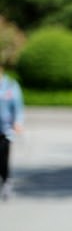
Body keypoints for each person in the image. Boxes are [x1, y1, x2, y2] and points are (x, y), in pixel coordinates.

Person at [0, 63, 24, 200]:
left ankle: (6, 181)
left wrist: (18, 122)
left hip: (5, 129)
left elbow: (18, 107)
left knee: (3, 158)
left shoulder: (10, 86)